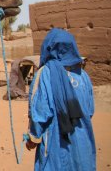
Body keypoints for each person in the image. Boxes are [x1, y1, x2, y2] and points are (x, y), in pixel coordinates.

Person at [26, 28, 96, 170]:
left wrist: (33, 137)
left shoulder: (45, 74)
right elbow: (89, 110)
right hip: (83, 141)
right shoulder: (83, 76)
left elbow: (40, 113)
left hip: (56, 143)